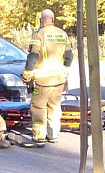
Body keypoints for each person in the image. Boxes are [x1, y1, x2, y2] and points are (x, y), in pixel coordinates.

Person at [22, 9, 73, 144]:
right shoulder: (62, 34)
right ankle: (53, 134)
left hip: (42, 80)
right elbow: (69, 56)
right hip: (58, 79)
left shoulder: (39, 35)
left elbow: (33, 57)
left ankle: (39, 136)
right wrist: (65, 71)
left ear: (41, 20)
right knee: (55, 107)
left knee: (38, 108)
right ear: (53, 19)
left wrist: (26, 76)